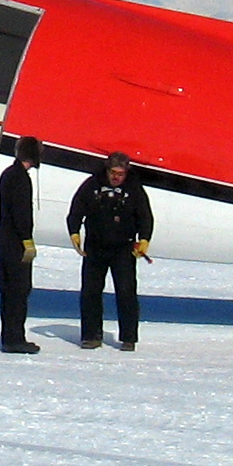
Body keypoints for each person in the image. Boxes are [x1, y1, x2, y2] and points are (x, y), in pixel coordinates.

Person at [67, 150, 155, 350]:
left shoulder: (135, 189)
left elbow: (145, 217)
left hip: (123, 249)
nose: (116, 177)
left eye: (120, 173)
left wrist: (144, 240)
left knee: (126, 292)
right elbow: (76, 210)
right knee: (90, 292)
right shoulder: (91, 185)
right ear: (107, 170)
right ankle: (91, 335)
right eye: (113, 172)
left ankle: (128, 337)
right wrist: (74, 232)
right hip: (95, 248)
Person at [0, 135, 42, 353]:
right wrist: (27, 239)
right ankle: (15, 338)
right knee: (19, 290)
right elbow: (22, 213)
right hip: (15, 241)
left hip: (3, 237)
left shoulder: (7, 174)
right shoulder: (21, 178)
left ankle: (10, 336)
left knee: (8, 289)